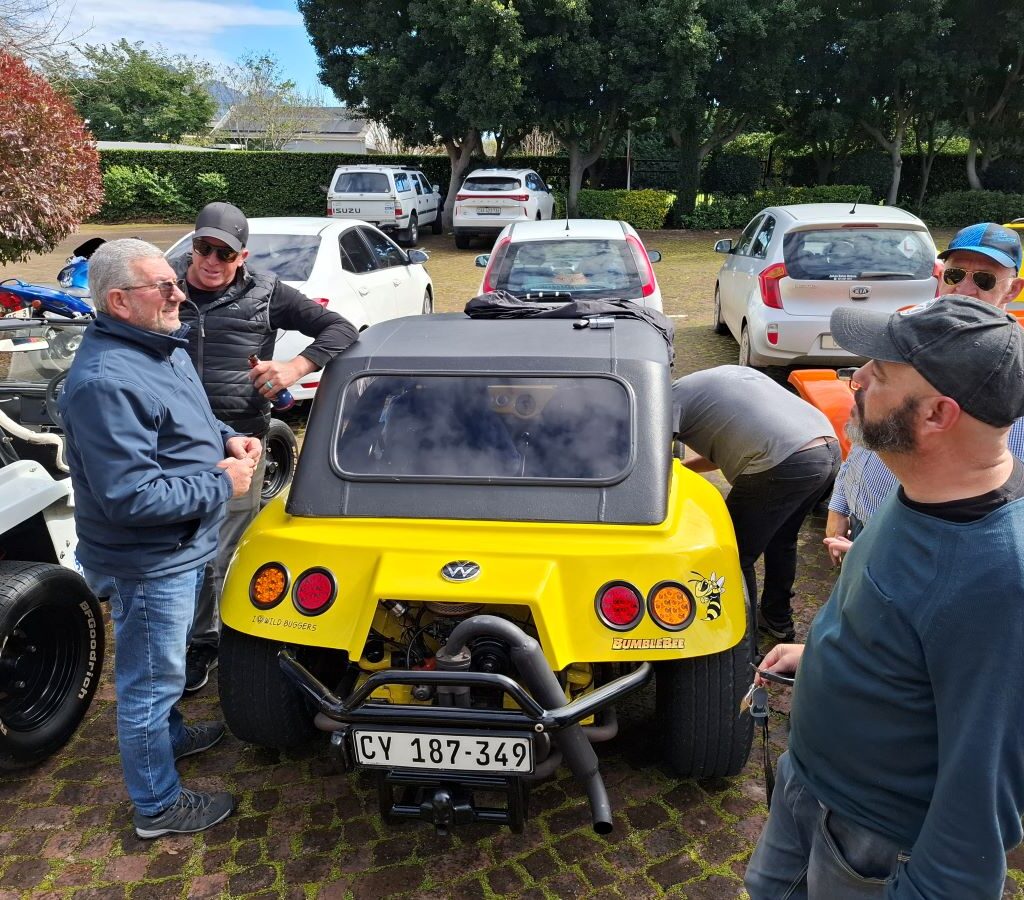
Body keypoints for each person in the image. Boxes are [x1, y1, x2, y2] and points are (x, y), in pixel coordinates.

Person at [746, 296, 1024, 899]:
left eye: (881, 371)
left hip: (868, 837)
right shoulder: (922, 485)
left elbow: (982, 800)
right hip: (808, 782)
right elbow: (902, 614)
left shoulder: (999, 578)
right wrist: (823, 656)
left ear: (937, 415)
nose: (858, 379)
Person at [59, 239, 259, 838]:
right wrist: (222, 483)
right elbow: (131, 497)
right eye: (163, 286)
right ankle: (157, 807)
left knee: (163, 672)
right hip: (149, 561)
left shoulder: (156, 346)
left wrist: (226, 436)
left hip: (180, 545)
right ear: (120, 301)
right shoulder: (104, 382)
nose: (179, 294)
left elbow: (187, 417)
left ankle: (169, 738)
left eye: (174, 281)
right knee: (149, 685)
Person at [170, 202, 359, 692]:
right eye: (204, 248)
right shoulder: (164, 283)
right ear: (193, 245)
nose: (212, 261)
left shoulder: (266, 292)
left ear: (243, 256)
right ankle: (170, 633)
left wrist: (295, 367)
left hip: (241, 440)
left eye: (225, 253)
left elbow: (340, 329)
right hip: (168, 438)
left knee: (221, 549)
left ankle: (206, 642)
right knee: (170, 542)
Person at [824, 222, 1024, 563]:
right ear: (940, 275)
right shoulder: (908, 328)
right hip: (863, 522)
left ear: (1013, 289)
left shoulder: (1009, 373)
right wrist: (840, 503)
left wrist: (889, 557)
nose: (965, 289)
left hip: (918, 553)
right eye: (955, 274)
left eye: (984, 279)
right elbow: (869, 421)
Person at [672, 366, 841, 642]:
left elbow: (651, 459)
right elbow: (727, 448)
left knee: (733, 552)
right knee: (782, 539)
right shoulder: (712, 384)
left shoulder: (667, 400)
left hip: (784, 459)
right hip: (827, 448)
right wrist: (683, 468)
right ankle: (777, 619)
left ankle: (742, 640)